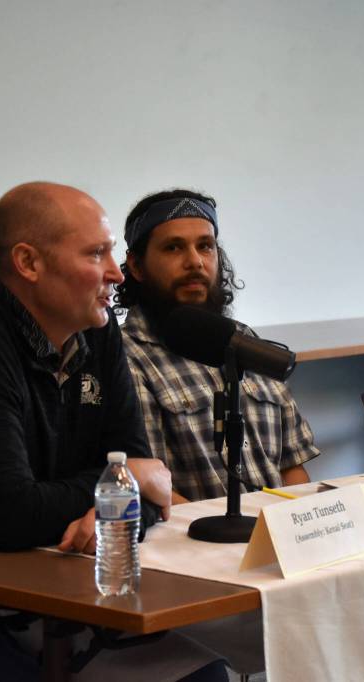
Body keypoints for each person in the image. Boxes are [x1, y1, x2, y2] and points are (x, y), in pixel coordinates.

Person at [0, 183, 225, 681]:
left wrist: (120, 498)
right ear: (28, 263)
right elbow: (14, 514)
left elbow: (138, 485)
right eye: (97, 253)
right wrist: (120, 484)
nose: (117, 272)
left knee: (201, 675)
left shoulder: (97, 331)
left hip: (45, 598)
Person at [116, 189, 319, 502]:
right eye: (173, 247)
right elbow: (152, 490)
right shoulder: (126, 357)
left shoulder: (244, 339)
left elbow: (292, 465)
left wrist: (303, 526)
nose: (195, 262)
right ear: (137, 267)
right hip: (198, 542)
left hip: (276, 535)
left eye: (205, 246)